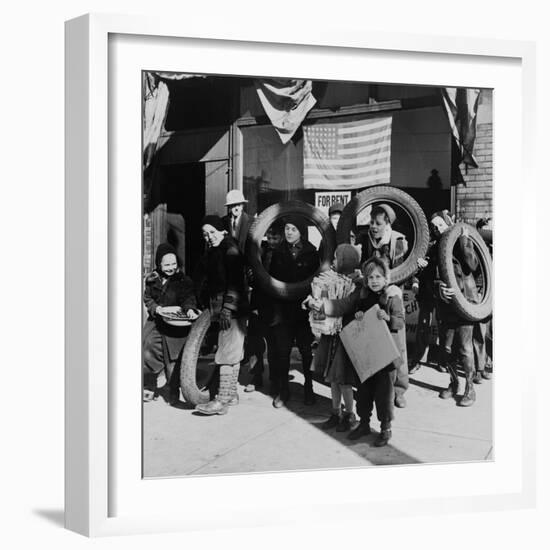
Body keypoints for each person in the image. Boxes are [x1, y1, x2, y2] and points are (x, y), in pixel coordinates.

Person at [314, 256, 406, 446]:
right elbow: (348, 311)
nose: (374, 281)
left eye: (378, 277)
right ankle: (364, 424)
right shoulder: (362, 295)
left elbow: (400, 321)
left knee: (384, 394)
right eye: (370, 277)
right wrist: (356, 316)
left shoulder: (391, 296)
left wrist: (388, 318)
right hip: (366, 354)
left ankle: (385, 429)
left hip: (386, 357)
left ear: (386, 278)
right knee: (364, 393)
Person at [194, 215, 249, 415]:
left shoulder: (230, 249)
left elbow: (236, 281)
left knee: (226, 353)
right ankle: (231, 394)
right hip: (223, 310)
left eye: (212, 232)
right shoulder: (214, 251)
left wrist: (228, 308)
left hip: (232, 311)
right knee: (232, 352)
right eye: (205, 233)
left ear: (223, 231)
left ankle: (221, 400)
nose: (209, 236)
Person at [306, 244, 362, 432]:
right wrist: (311, 302)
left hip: (345, 338)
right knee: (332, 378)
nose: (334, 262)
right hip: (330, 336)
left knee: (343, 379)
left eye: (337, 258)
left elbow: (345, 305)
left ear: (347, 261)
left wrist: (322, 306)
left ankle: (349, 414)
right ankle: (335, 412)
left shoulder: (357, 285)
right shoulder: (331, 280)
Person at [359, 203, 409, 408]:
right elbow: (363, 264)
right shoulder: (365, 240)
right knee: (373, 342)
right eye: (371, 222)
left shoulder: (398, 241)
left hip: (391, 295)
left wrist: (394, 288)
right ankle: (374, 386)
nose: (373, 226)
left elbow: (405, 268)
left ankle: (399, 389)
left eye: (377, 223)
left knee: (398, 345)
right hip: (371, 293)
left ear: (387, 223)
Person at [268, 215, 320, 407]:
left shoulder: (311, 252)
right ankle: (283, 391)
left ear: (301, 231)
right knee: (283, 352)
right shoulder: (278, 252)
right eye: (287, 229)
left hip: (303, 310)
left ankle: (309, 389)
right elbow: (272, 281)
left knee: (306, 352)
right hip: (283, 310)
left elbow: (317, 281)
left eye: (293, 229)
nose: (289, 232)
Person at [430, 210, 480, 407]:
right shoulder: (434, 250)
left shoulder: (461, 244)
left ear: (448, 223)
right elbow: (429, 279)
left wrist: (465, 242)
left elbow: (473, 265)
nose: (437, 228)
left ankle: (470, 388)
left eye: (440, 224)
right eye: (434, 226)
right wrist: (437, 288)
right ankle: (454, 383)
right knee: (446, 348)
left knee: (465, 348)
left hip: (465, 302)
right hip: (446, 305)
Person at [143, 243, 198, 404]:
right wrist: (156, 308)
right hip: (158, 320)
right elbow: (148, 298)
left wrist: (189, 309)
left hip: (176, 323)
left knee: (173, 358)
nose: (170, 268)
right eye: (166, 264)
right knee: (147, 346)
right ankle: (149, 384)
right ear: (159, 264)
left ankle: (174, 390)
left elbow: (188, 298)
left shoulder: (183, 280)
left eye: (173, 264)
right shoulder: (152, 279)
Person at [244, 221, 284, 392]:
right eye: (270, 237)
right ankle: (256, 375)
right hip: (258, 301)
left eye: (275, 237)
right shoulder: (260, 251)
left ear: (281, 237)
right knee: (254, 341)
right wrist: (251, 275)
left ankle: (275, 379)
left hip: (275, 304)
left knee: (274, 343)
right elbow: (251, 274)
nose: (272, 240)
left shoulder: (285, 253)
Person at [222, 189, 251, 254]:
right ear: (229, 207)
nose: (236, 208)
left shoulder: (252, 222)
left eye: (239, 205)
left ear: (243, 205)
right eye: (233, 205)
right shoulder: (223, 222)